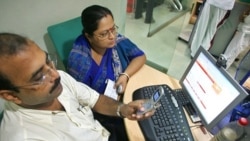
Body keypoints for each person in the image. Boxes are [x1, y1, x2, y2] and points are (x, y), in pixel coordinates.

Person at [0, 32, 154, 141]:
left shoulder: (57, 78)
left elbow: (95, 100)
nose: (56, 75)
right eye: (40, 77)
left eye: (48, 61)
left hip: (106, 132)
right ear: (11, 95)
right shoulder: (25, 136)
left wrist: (123, 109)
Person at [67, 5, 146, 140]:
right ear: (89, 36)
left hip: (126, 96)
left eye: (113, 29)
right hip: (104, 115)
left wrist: (125, 75)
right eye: (104, 34)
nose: (112, 36)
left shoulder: (114, 40)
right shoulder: (80, 62)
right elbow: (83, 103)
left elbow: (140, 56)